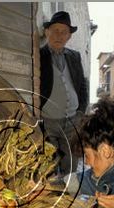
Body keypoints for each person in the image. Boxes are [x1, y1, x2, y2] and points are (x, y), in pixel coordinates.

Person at [40, 11, 88, 176]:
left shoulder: (74, 56)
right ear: (47, 32)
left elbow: (82, 85)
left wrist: (81, 112)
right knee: (48, 166)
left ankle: (69, 197)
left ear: (69, 36)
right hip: (48, 122)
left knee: (72, 164)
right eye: (55, 30)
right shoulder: (39, 55)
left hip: (73, 121)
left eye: (64, 32)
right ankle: (51, 199)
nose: (59, 35)